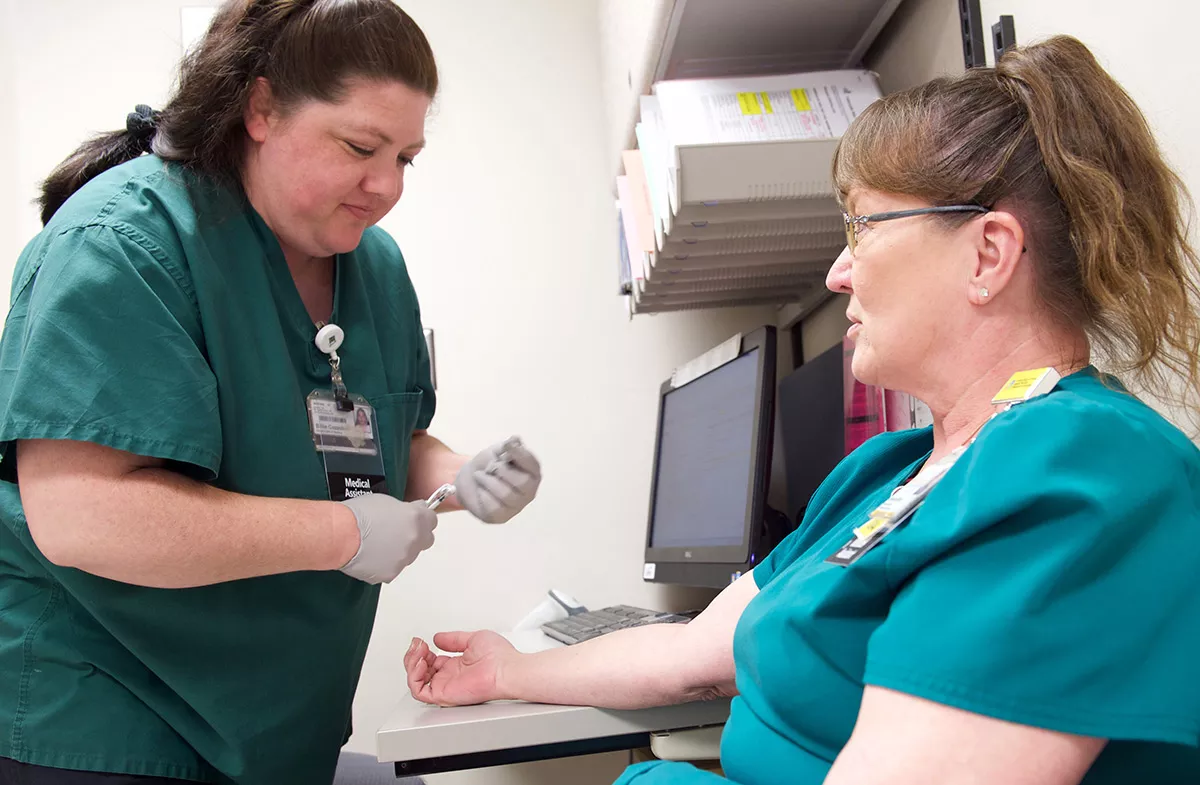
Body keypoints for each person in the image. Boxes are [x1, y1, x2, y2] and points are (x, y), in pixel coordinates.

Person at [403, 35, 1200, 785]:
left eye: (862, 226)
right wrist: (508, 670)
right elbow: (691, 655)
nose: (837, 271)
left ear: (987, 253)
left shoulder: (1089, 473)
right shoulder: (885, 473)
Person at [0, 1, 541, 783]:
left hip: (272, 719)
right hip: (102, 709)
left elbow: (387, 442)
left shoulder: (374, 266)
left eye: (406, 158)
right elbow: (84, 513)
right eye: (361, 146)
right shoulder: (122, 244)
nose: (386, 185)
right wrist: (344, 535)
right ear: (260, 109)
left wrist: (464, 476)